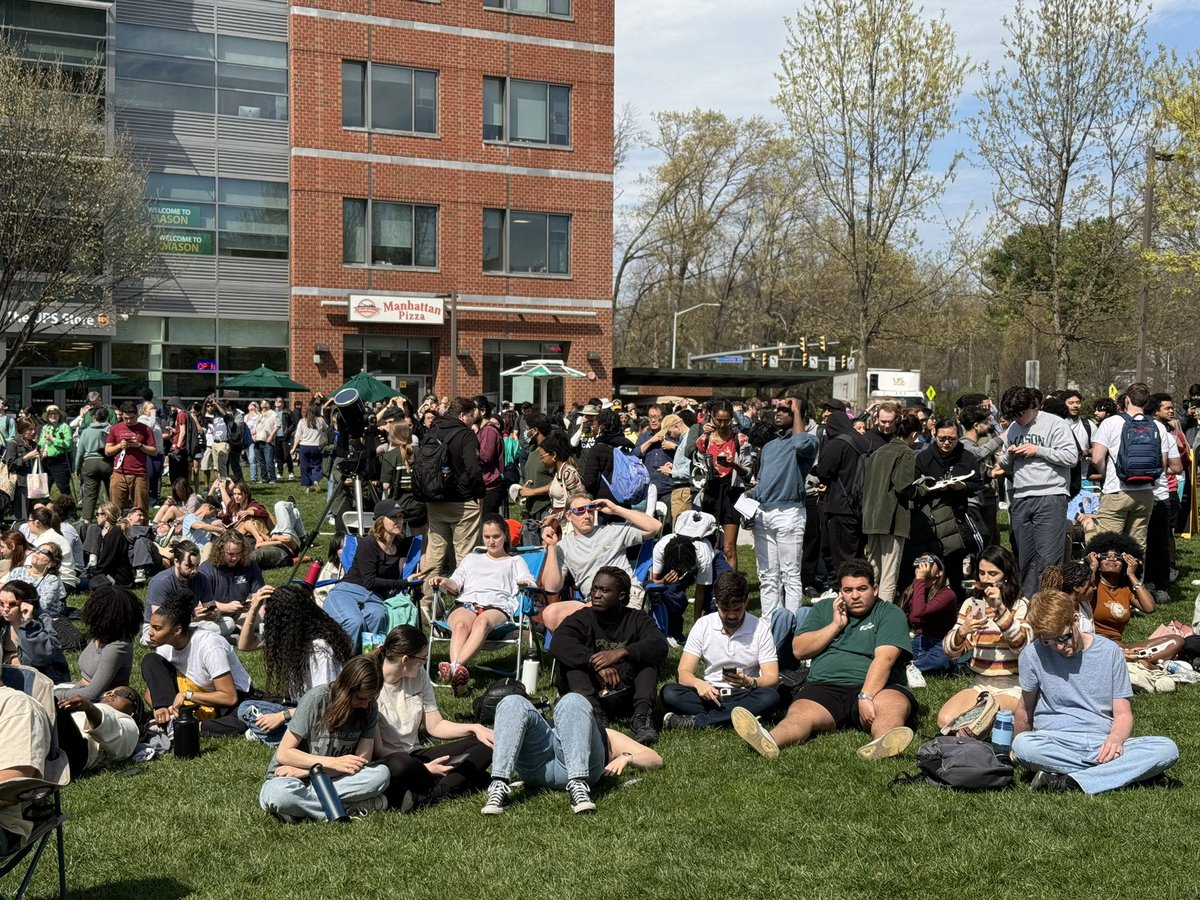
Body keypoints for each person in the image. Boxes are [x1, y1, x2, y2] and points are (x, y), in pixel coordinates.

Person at [732, 560, 915, 760]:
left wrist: (866, 697)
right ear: (840, 592)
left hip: (879, 687)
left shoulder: (889, 613)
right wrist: (835, 625)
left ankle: (883, 743)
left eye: (862, 589)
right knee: (799, 715)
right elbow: (799, 650)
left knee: (892, 706)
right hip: (825, 685)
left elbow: (885, 659)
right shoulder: (824, 609)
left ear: (875, 589)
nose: (855, 595)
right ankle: (769, 740)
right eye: (848, 590)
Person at [1011, 589, 1179, 793]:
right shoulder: (1032, 654)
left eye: (1063, 638)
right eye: (1049, 641)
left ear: (1075, 620)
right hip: (1054, 739)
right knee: (1024, 746)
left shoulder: (1109, 652)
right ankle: (1126, 774)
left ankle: (1070, 780)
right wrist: (1016, 749)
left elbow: (1123, 713)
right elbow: (1024, 710)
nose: (1059, 647)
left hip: (1102, 741)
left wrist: (1115, 739)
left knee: (1167, 749)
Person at [371, 626, 495, 813]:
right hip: (392, 761)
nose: (425, 663)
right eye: (423, 659)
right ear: (405, 660)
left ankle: (429, 794)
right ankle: (457, 783)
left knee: (487, 742)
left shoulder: (419, 675)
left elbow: (435, 725)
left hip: (416, 752)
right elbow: (379, 750)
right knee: (401, 765)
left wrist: (475, 728)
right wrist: (423, 768)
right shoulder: (371, 683)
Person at [480, 690, 663, 816]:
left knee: (573, 699)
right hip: (537, 767)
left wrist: (627, 758)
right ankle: (499, 785)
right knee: (512, 701)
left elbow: (655, 759)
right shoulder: (547, 725)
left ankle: (578, 785)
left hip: (577, 770)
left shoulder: (606, 734)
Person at [257, 656, 391, 822]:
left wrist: (309, 771)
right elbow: (284, 754)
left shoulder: (369, 708)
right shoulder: (316, 699)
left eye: (371, 699)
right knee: (279, 795)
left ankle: (302, 809)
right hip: (292, 779)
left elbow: (360, 761)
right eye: (360, 699)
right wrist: (331, 763)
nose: (366, 704)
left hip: (333, 778)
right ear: (345, 690)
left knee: (381, 775)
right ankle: (347, 807)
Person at [548, 567, 668, 745]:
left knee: (647, 661)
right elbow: (558, 643)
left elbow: (659, 645)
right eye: (595, 589)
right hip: (589, 690)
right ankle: (594, 715)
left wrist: (621, 653)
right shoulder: (582, 618)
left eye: (604, 590)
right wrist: (594, 662)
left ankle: (642, 719)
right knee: (572, 663)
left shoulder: (636, 619)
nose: (596, 595)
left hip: (624, 690)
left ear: (620, 596)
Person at [426, 515, 536, 696]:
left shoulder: (515, 561)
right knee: (460, 625)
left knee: (482, 623)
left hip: (497, 606)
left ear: (505, 535)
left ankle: (453, 668)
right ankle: (458, 678)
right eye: (487, 537)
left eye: (496, 536)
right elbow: (455, 583)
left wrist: (524, 582)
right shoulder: (471, 559)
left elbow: (530, 581)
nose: (491, 541)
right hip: (467, 603)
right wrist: (443, 581)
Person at [660, 571, 779, 731]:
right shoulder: (704, 625)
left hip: (745, 693)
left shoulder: (760, 629)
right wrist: (698, 684)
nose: (731, 616)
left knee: (770, 697)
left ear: (746, 602)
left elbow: (772, 677)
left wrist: (750, 682)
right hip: (710, 693)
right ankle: (737, 716)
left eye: (737, 610)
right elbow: (683, 672)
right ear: (716, 603)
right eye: (725, 610)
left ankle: (696, 722)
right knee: (669, 693)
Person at [235, 583, 352, 744]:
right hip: (299, 709)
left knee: (296, 727)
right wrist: (253, 608)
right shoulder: (289, 639)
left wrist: (281, 716)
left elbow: (323, 703)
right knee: (245, 708)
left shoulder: (319, 649)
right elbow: (244, 645)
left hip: (323, 716)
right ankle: (285, 737)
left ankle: (291, 742)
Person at [994, 386, 1077, 598]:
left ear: (1033, 405)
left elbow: (1071, 457)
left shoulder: (1055, 423)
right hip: (1021, 496)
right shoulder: (1013, 428)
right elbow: (1004, 462)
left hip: (1050, 496)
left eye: (1020, 414)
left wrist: (1037, 450)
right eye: (1012, 415)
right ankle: (1027, 605)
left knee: (1048, 559)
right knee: (1025, 558)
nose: (1018, 419)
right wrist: (1010, 456)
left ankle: (1048, 606)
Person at [936, 545, 1030, 730]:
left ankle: (998, 729)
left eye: (993, 574)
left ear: (1007, 576)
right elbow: (950, 652)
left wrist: (1000, 610)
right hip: (981, 683)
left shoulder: (1019, 605)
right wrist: (963, 631)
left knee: (976, 720)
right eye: (981, 573)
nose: (985, 579)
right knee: (945, 719)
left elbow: (1021, 645)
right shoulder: (974, 605)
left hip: (1013, 685)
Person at [538, 495, 663, 631]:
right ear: (568, 516)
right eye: (580, 510)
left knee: (601, 614)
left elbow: (655, 527)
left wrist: (616, 509)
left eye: (590, 509)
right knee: (551, 614)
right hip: (593, 602)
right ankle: (581, 651)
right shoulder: (563, 546)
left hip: (624, 596)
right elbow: (552, 588)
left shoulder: (611, 531)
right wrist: (551, 547)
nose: (587, 515)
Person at [141, 589, 254, 737]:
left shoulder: (209, 645)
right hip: (194, 695)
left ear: (177, 630)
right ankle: (174, 721)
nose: (150, 632)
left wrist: (187, 695)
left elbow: (229, 697)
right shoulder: (164, 648)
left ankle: (192, 726)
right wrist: (162, 708)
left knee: (242, 718)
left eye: (157, 628)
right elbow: (152, 693)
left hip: (227, 700)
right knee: (150, 660)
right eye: (151, 626)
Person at [747, 398, 820, 621]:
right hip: (763, 515)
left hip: (789, 514)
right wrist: (748, 499)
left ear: (799, 415)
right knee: (767, 575)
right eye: (777, 409)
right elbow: (761, 483)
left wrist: (798, 408)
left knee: (790, 575)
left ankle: (792, 624)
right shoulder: (769, 446)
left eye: (785, 410)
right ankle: (770, 622)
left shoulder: (808, 441)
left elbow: (800, 445)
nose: (778, 413)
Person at [1089, 382, 1179, 552]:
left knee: (1108, 545)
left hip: (1116, 490)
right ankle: (1134, 578)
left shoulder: (1111, 423)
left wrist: (1107, 473)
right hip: (1145, 492)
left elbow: (1097, 457)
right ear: (1147, 403)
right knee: (1137, 546)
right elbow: (1163, 463)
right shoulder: (1158, 426)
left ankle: (1110, 578)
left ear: (1127, 399)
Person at [325, 499, 414, 652]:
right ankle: (345, 667)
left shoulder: (401, 545)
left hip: (375, 598)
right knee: (355, 622)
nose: (399, 521)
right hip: (348, 591)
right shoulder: (368, 544)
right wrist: (403, 582)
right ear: (380, 521)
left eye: (400, 516)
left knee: (378, 616)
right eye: (393, 517)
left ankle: (369, 666)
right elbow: (370, 582)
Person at [862, 412, 921, 604]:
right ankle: (884, 620)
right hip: (892, 519)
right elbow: (903, 486)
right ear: (913, 434)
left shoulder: (878, 451)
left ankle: (865, 611)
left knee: (873, 571)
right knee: (889, 573)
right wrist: (920, 490)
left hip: (872, 518)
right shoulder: (905, 452)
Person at [54, 583, 142, 701]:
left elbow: (91, 693)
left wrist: (54, 695)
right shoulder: (100, 636)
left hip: (98, 700)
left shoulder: (116, 648)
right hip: (79, 690)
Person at [693, 400, 751, 571]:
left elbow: (747, 472)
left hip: (732, 492)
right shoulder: (704, 440)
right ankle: (710, 587)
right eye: (719, 420)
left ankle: (732, 590)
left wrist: (733, 464)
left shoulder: (740, 439)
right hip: (712, 490)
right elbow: (698, 465)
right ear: (711, 417)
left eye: (727, 420)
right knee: (710, 545)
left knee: (729, 548)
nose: (723, 424)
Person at [813, 402, 871, 568]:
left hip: (840, 505)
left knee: (842, 555)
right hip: (859, 504)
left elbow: (824, 471)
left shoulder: (838, 442)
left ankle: (846, 588)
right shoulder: (863, 440)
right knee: (857, 551)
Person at [898, 554, 960, 679]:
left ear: (939, 573)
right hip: (919, 640)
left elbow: (919, 612)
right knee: (893, 653)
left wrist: (920, 579)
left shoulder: (947, 594)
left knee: (943, 659)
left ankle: (911, 668)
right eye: (921, 561)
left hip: (942, 643)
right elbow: (910, 619)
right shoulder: (912, 592)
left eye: (930, 562)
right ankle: (917, 666)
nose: (924, 565)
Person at [54, 687, 142, 773]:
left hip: (77, 753)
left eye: (121, 693)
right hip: (56, 737)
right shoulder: (86, 707)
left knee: (51, 701)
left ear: (134, 709)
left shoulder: (130, 725)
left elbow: (115, 734)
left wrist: (89, 708)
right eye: (108, 692)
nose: (112, 694)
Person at [142, 540, 214, 641]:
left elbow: (212, 607)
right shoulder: (160, 582)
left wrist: (213, 613)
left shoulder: (201, 578)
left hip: (189, 623)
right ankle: (202, 638)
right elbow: (160, 620)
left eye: (197, 565)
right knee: (159, 636)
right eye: (189, 566)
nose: (195, 571)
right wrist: (192, 616)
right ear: (176, 562)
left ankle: (194, 638)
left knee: (229, 623)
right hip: (158, 627)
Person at [199, 530, 271, 632]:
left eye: (238, 553)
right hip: (216, 613)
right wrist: (226, 607)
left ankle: (236, 630)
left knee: (262, 608)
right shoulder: (207, 569)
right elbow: (201, 603)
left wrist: (253, 603)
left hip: (240, 613)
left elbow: (258, 593)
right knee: (215, 615)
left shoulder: (249, 565)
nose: (235, 558)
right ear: (220, 550)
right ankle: (240, 630)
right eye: (230, 554)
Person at [1, 581, 69, 684]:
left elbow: (40, 659)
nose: (5, 609)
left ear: (26, 604)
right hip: (9, 678)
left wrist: (28, 623)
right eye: (1, 603)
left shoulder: (41, 623)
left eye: (12, 604)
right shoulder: (2, 623)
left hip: (43, 682)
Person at [105, 400, 157, 514]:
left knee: (140, 509)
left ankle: (141, 530)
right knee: (116, 509)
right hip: (119, 473)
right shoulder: (115, 428)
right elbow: (108, 451)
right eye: (125, 418)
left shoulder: (146, 429)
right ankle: (117, 530)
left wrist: (140, 445)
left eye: (132, 418)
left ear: (137, 415)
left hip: (139, 474)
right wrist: (120, 446)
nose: (128, 421)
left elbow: (154, 451)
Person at [2, 543, 67, 620]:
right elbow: (4, 593)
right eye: (37, 549)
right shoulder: (18, 571)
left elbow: (41, 606)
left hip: (38, 617)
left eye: (44, 552)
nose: (37, 552)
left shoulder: (52, 580)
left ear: (51, 563)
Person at [74, 407, 112, 522]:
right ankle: (112, 516)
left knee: (90, 493)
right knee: (111, 492)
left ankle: (86, 518)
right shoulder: (110, 429)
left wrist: (77, 467)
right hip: (107, 462)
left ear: (93, 417)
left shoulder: (86, 431)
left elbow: (80, 452)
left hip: (90, 462)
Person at [538, 431, 586, 518]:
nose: (541, 460)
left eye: (542, 456)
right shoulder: (558, 472)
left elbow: (579, 504)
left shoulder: (568, 474)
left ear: (554, 455)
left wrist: (555, 517)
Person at [3, 416, 41, 522]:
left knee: (34, 517)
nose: (33, 432)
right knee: (22, 517)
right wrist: (26, 458)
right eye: (29, 429)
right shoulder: (13, 444)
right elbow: (10, 465)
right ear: (22, 429)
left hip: (34, 485)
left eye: (34, 429)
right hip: (21, 485)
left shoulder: (34, 444)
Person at [37, 405, 74, 499]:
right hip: (46, 461)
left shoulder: (65, 427)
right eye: (50, 414)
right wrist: (42, 450)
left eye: (55, 414)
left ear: (59, 416)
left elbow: (68, 445)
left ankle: (70, 511)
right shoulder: (45, 427)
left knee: (63, 487)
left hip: (61, 461)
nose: (53, 416)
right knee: (45, 487)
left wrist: (53, 439)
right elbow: (41, 442)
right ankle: (44, 509)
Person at [292, 401, 327, 492]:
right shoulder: (321, 420)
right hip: (316, 446)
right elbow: (326, 429)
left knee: (304, 466)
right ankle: (315, 480)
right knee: (316, 465)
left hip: (304, 446)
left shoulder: (302, 421)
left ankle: (307, 486)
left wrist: (294, 448)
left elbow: (297, 436)